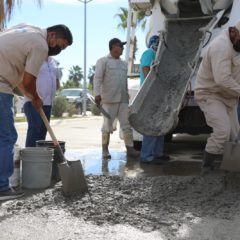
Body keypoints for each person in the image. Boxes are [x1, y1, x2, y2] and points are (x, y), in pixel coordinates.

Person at [0, 23, 73, 200]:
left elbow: (20, 82)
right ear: (52, 36)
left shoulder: (25, 28)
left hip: (4, 82)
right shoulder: (40, 44)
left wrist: (32, 97)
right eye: (60, 46)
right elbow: (28, 81)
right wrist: (37, 97)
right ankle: (2, 187)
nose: (58, 51)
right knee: (6, 137)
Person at [195, 20, 240, 173]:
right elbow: (222, 80)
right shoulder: (221, 46)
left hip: (229, 97)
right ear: (234, 32)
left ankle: (229, 170)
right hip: (210, 94)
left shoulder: (236, 45)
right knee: (223, 131)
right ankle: (207, 168)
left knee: (235, 135)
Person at [93, 38, 139, 159]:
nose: (122, 49)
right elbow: (97, 79)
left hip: (123, 100)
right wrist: (97, 94)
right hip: (109, 99)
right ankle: (105, 150)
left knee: (126, 125)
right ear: (113, 47)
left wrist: (127, 94)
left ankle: (130, 148)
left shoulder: (124, 64)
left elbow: (124, 81)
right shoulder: (103, 61)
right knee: (107, 126)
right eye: (120, 46)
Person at [139, 35, 169, 164]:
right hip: (149, 94)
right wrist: (152, 89)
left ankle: (158, 153)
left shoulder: (158, 56)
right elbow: (146, 70)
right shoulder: (149, 53)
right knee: (151, 124)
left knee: (160, 123)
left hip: (157, 94)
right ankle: (146, 155)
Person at [24, 57, 60, 147]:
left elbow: (57, 82)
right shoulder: (34, 57)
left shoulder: (54, 62)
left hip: (48, 103)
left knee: (43, 131)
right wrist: (33, 96)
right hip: (32, 101)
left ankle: (39, 158)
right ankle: (30, 158)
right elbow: (24, 78)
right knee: (35, 128)